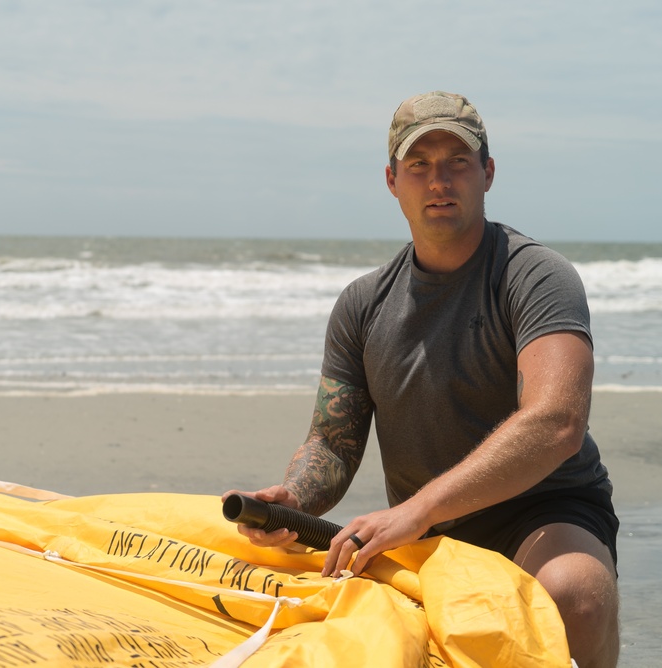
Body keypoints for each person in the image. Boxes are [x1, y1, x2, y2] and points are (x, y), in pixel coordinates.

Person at [223, 91, 620, 668]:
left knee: (574, 595)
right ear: (392, 180)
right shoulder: (363, 305)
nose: (439, 180)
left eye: (457, 161)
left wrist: (417, 509)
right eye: (419, 165)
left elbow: (555, 421)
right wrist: (295, 497)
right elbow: (333, 441)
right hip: (426, 534)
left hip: (543, 513)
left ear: (487, 172)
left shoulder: (535, 275)